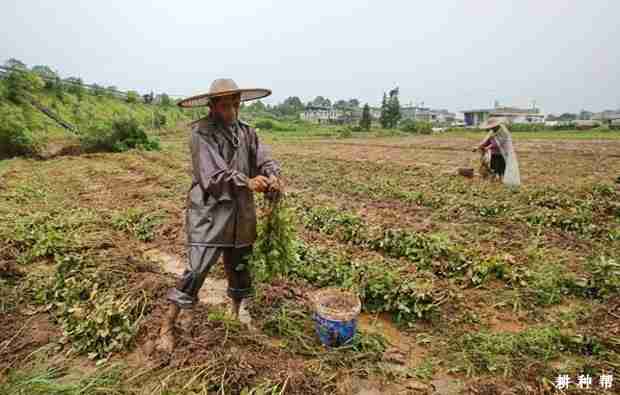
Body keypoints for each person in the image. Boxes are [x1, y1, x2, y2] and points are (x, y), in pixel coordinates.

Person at [157, 78, 283, 352]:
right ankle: (167, 325)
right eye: (225, 105)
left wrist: (272, 175)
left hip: (241, 213)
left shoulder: (247, 132)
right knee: (197, 269)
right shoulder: (201, 133)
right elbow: (211, 175)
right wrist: (247, 182)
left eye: (235, 104)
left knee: (239, 268)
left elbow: (263, 158)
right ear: (212, 106)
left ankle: (235, 313)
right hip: (210, 212)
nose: (231, 111)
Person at [474, 117, 521, 187]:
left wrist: (488, 147)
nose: (491, 128)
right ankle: (495, 178)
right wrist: (477, 147)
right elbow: (486, 141)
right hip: (494, 153)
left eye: (492, 127)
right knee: (494, 166)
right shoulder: (492, 132)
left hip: (502, 153)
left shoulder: (503, 132)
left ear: (496, 125)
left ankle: (501, 179)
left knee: (501, 167)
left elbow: (498, 143)